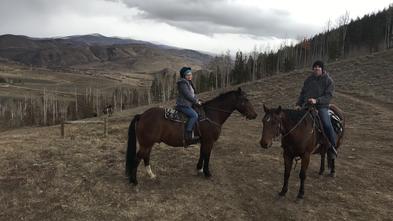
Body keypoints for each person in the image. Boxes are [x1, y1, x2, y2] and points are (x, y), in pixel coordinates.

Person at [295, 60, 337, 159]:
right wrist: (298, 104)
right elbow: (303, 93)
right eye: (315, 67)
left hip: (321, 107)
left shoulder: (328, 81)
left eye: (319, 67)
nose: (316, 68)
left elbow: (328, 96)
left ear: (322, 69)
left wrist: (316, 101)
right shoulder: (308, 80)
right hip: (307, 106)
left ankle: (332, 147)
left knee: (326, 124)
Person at [175, 66, 202, 145]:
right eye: (188, 75)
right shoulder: (183, 83)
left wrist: (197, 100)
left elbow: (193, 94)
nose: (190, 76)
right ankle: (188, 134)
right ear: (184, 75)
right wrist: (196, 102)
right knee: (194, 115)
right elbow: (187, 95)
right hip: (183, 105)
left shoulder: (189, 82)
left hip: (189, 104)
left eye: (190, 74)